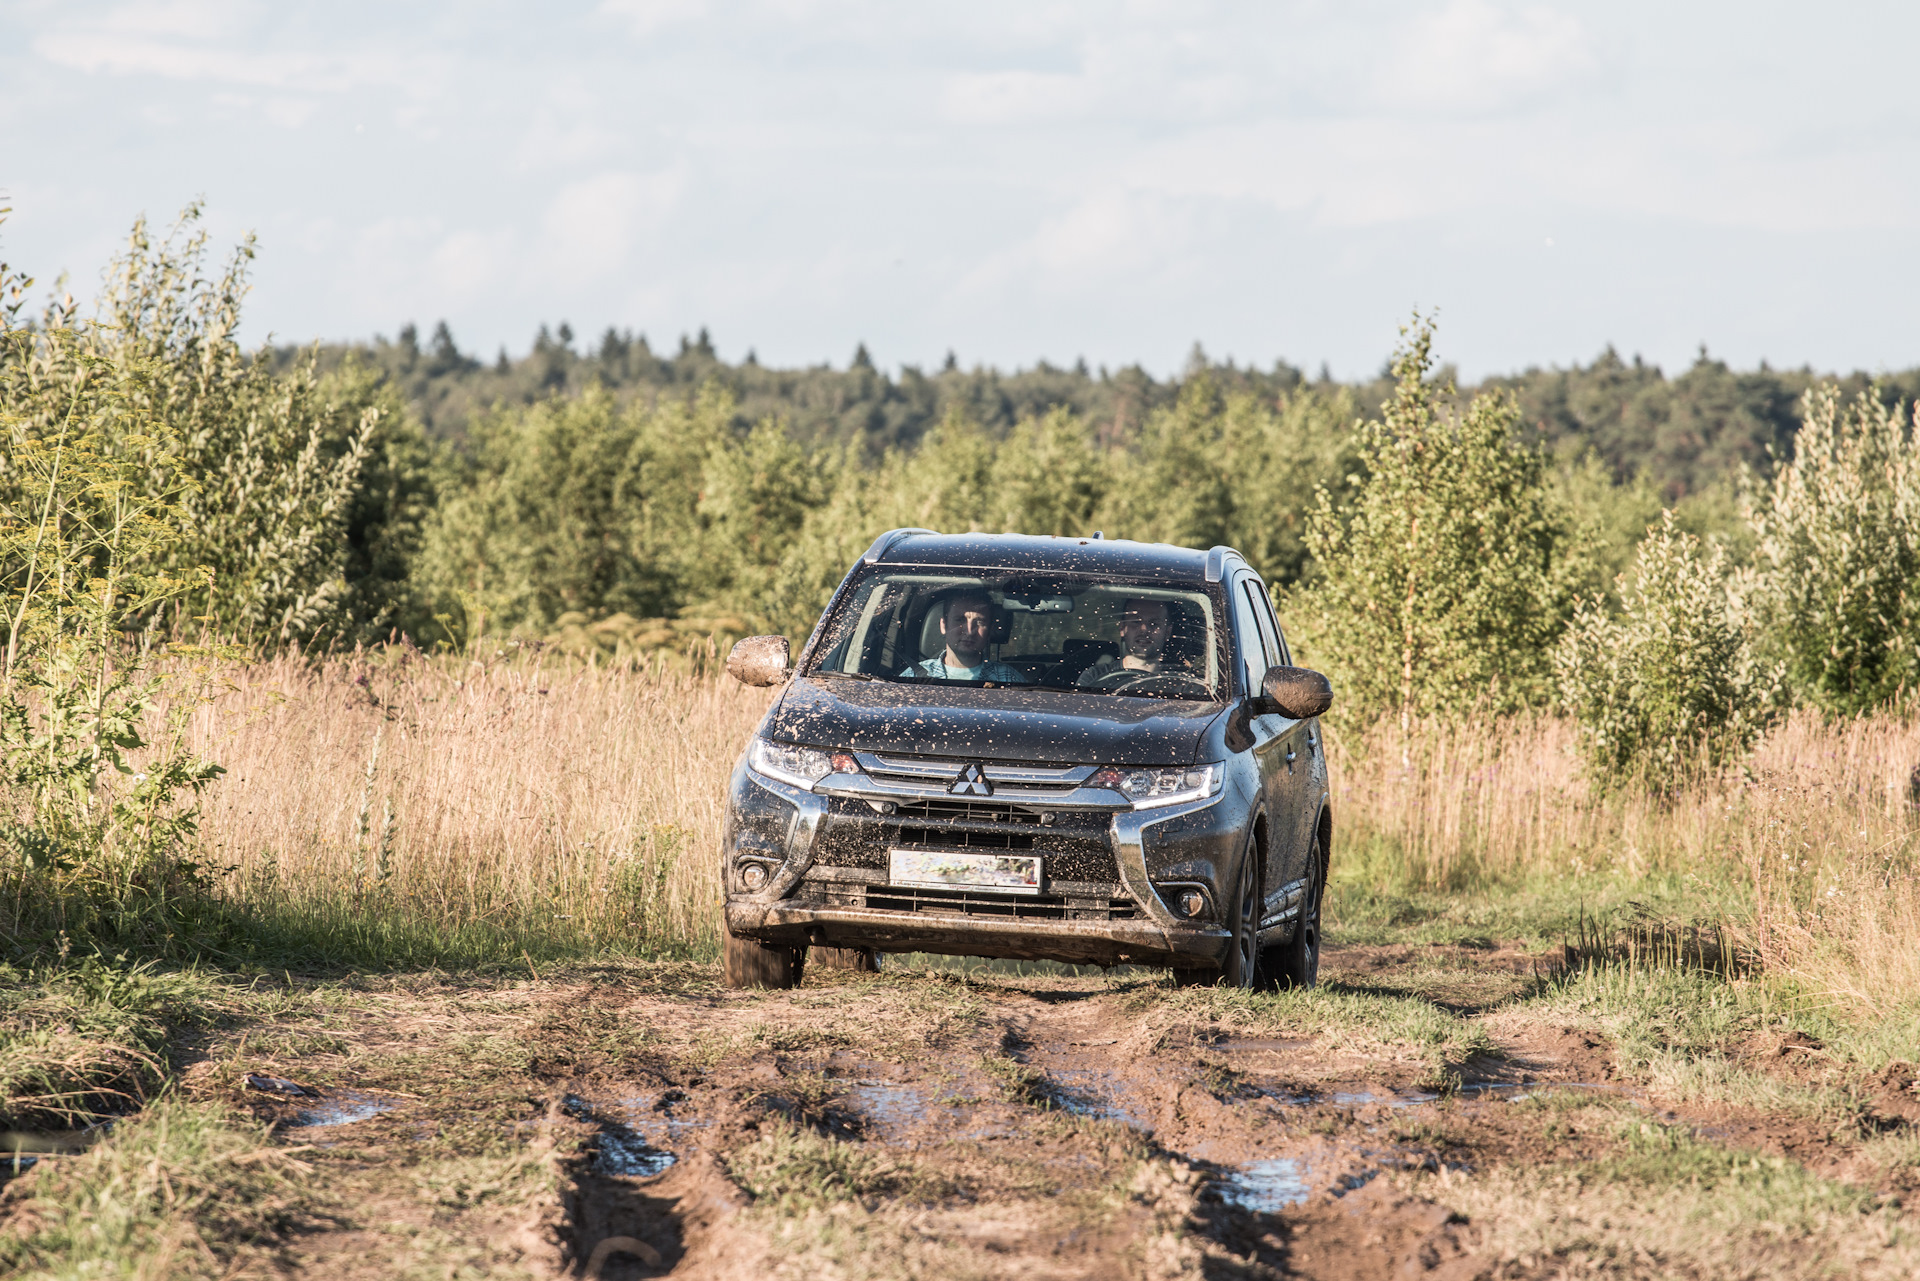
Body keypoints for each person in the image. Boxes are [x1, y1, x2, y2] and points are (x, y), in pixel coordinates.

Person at [900, 591, 1028, 683]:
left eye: (979, 622)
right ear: (943, 625)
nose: (969, 631)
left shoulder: (1008, 679)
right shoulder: (913, 677)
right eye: (960, 620)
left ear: (990, 630)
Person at [1078, 597, 1178, 686]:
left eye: (1154, 623)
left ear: (1167, 632)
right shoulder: (1093, 677)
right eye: (1136, 621)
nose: (1144, 629)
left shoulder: (1180, 683)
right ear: (1122, 628)